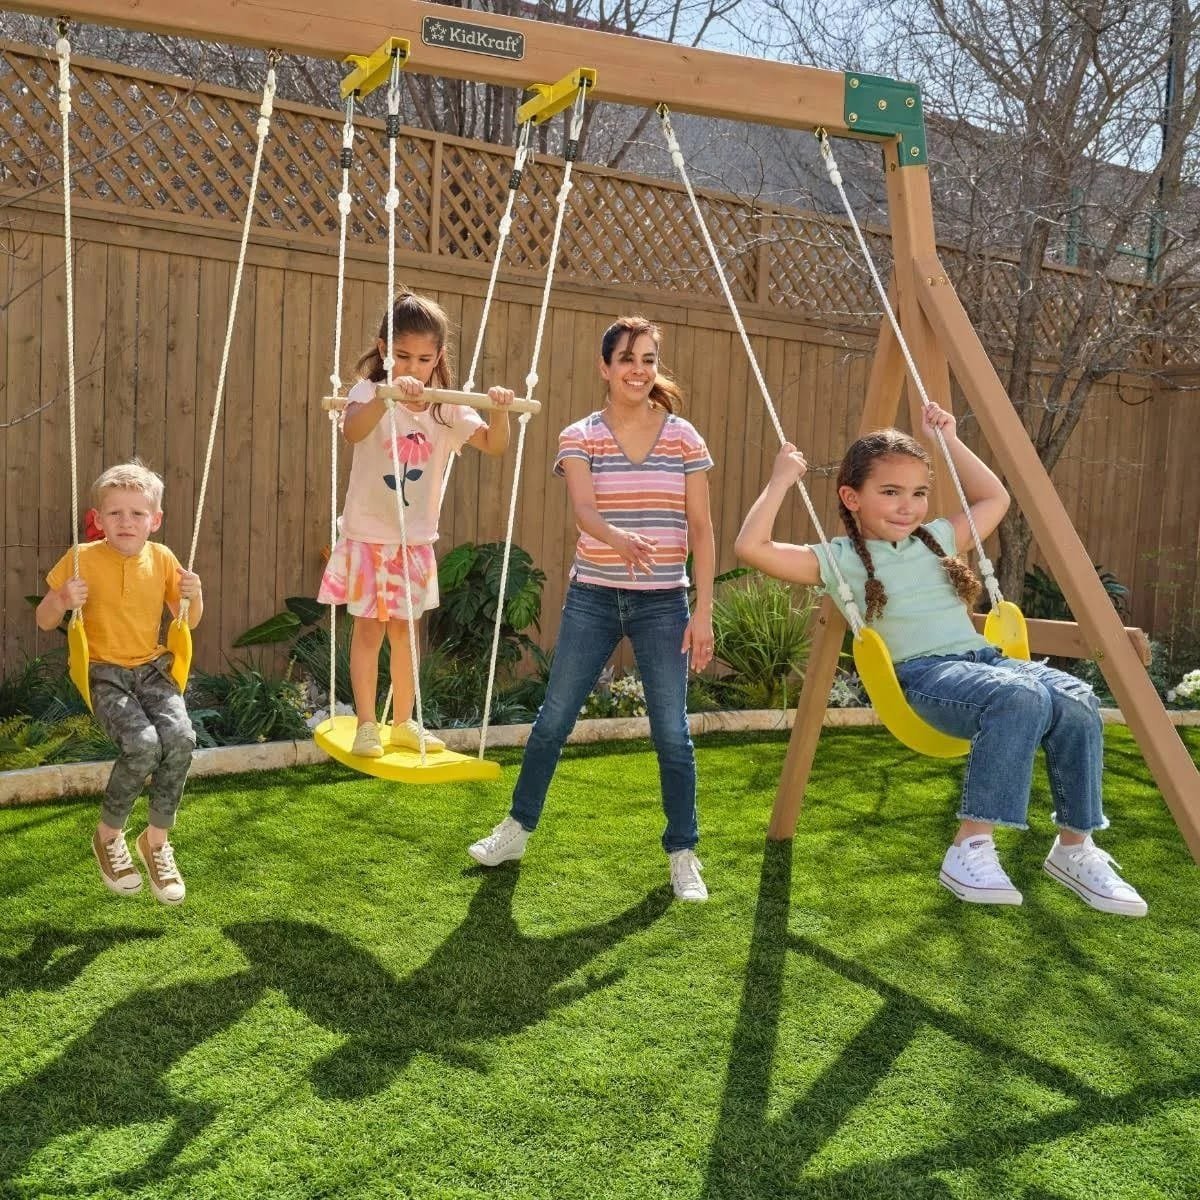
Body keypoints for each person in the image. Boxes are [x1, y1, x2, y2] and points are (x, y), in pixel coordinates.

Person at [734, 401, 1147, 917]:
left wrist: (949, 440)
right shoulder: (837, 559)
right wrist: (780, 480)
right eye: (890, 492)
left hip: (986, 661)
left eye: (918, 492)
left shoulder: (940, 539)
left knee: (1078, 698)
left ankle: (1074, 847)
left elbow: (995, 497)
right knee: (1019, 696)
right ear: (851, 497)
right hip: (923, 677)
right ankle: (970, 846)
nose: (907, 506)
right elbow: (751, 547)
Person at [467, 315, 716, 902]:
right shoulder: (581, 435)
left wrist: (703, 610)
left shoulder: (684, 437)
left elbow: (702, 529)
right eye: (627, 358)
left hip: (664, 604)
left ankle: (683, 853)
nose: (639, 370)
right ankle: (516, 829)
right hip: (594, 597)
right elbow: (584, 512)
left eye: (648, 359)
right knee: (554, 719)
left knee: (672, 733)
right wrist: (618, 540)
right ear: (605, 368)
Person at [319, 291, 514, 757]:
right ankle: (367, 724)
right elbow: (353, 430)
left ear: (438, 357)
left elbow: (495, 445)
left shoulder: (445, 407)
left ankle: (404, 721)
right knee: (368, 632)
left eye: (424, 359)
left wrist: (501, 410)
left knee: (406, 634)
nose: (413, 367)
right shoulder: (369, 393)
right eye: (402, 356)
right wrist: (387, 397)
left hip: (414, 543)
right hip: (367, 537)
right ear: (383, 349)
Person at [36, 460, 203, 906]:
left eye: (137, 513)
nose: (126, 522)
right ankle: (109, 835)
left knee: (181, 738)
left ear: (155, 520)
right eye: (115, 513)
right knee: (144, 745)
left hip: (152, 669)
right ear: (99, 518)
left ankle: (156, 841)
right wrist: (61, 598)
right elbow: (44, 619)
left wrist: (195, 595)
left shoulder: (163, 558)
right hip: (104, 672)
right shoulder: (82, 558)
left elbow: (187, 620)